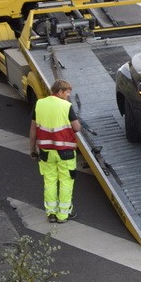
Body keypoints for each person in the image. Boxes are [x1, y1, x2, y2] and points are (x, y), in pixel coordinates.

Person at [28, 80, 82, 223]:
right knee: (65, 182)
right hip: (66, 152)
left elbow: (33, 129)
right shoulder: (66, 106)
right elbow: (76, 128)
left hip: (46, 151)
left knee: (49, 181)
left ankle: (51, 213)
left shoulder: (39, 104)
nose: (69, 95)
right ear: (60, 92)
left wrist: (32, 149)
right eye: (67, 92)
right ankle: (63, 215)